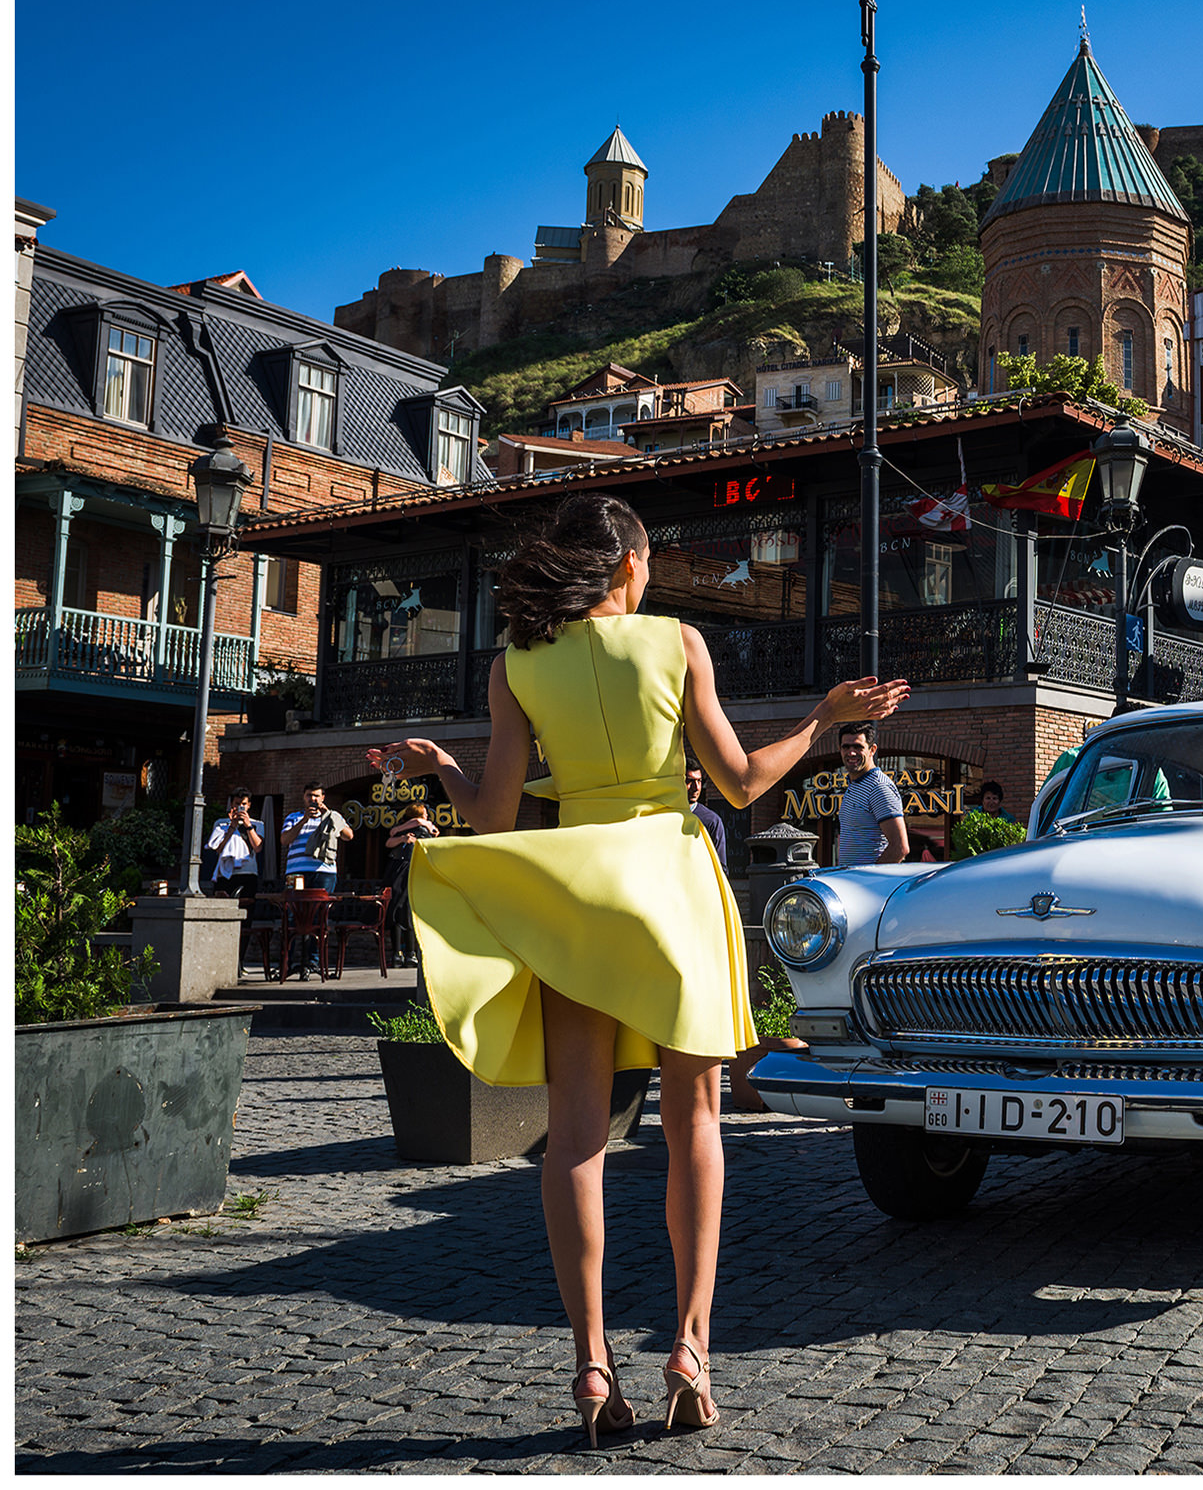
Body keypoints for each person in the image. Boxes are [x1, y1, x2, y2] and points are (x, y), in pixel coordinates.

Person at [368, 492, 908, 1446]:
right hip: (669, 883)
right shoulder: (678, 642)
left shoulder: (517, 665)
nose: (651, 575)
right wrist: (822, 719)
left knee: (576, 1134)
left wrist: (444, 769)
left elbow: (494, 821)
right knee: (694, 1120)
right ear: (626, 564)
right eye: (649, 562)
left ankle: (589, 1364)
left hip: (580, 888)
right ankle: (691, 1348)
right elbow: (741, 783)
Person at [834, 722, 909, 866]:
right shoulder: (854, 785)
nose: (851, 752)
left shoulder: (879, 787)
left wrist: (867, 878)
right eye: (846, 747)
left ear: (872, 750)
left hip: (867, 885)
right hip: (851, 881)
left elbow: (900, 848)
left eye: (858, 747)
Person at [383, 802, 440, 967]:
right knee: (398, 909)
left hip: (417, 869)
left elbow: (426, 827)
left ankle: (408, 953)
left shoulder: (426, 826)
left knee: (409, 911)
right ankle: (401, 954)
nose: (426, 816)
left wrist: (399, 831)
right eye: (424, 812)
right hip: (403, 868)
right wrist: (403, 837)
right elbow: (389, 842)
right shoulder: (412, 826)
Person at [281, 783, 351, 893]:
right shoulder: (293, 817)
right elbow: (284, 840)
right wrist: (304, 820)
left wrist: (328, 815)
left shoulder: (333, 816)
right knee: (295, 907)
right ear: (304, 797)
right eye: (309, 795)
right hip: (297, 871)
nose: (313, 799)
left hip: (324, 871)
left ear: (323, 798)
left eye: (316, 796)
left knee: (320, 907)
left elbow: (348, 836)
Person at [205, 788, 265, 898]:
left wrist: (248, 826)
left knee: (246, 905)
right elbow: (218, 849)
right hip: (225, 873)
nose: (240, 807)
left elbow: (257, 847)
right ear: (232, 804)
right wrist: (232, 827)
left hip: (247, 872)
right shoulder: (221, 824)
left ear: (249, 805)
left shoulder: (257, 824)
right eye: (237, 804)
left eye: (243, 804)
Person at [685, 760, 727, 866]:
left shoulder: (711, 821)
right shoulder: (666, 815)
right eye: (690, 781)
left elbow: (720, 866)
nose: (697, 787)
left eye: (699, 781)